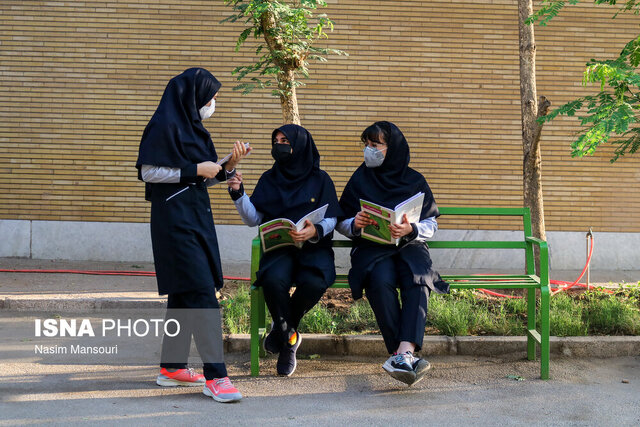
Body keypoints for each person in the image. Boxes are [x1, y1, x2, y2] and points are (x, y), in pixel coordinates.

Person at [135, 67, 248, 403]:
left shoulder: (196, 131)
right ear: (192, 96)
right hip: (174, 222)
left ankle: (172, 368)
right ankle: (217, 376)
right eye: (210, 97)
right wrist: (195, 169)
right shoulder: (163, 125)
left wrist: (225, 166)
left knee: (185, 292)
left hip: (196, 218)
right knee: (200, 290)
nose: (213, 103)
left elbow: (201, 178)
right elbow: (148, 171)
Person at [336, 121, 449, 386]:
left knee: (418, 279)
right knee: (378, 279)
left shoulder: (414, 180)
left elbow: (432, 224)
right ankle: (402, 355)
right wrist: (355, 224)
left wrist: (411, 228)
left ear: (393, 148)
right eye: (367, 144)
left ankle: (403, 353)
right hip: (373, 248)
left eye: (375, 145)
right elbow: (341, 220)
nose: (369, 150)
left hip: (409, 246)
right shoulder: (360, 178)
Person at [227, 124, 342, 376]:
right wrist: (238, 194)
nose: (279, 145)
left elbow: (333, 216)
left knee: (315, 281)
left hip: (313, 247)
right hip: (280, 248)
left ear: (300, 145)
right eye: (276, 140)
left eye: (285, 141)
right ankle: (290, 340)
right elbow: (253, 218)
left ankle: (281, 329)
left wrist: (316, 230)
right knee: (272, 279)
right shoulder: (270, 178)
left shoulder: (320, 179)